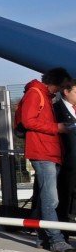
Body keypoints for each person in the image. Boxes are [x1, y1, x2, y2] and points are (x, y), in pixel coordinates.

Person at [17, 67, 73, 252]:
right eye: (63, 86)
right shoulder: (36, 94)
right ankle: (56, 240)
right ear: (56, 83)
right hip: (43, 152)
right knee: (51, 200)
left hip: (49, 152)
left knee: (45, 198)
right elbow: (28, 121)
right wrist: (56, 127)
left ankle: (43, 238)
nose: (63, 90)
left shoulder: (44, 96)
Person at [53, 77, 76, 225]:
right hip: (67, 160)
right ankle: (64, 228)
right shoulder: (56, 110)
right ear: (66, 92)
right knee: (65, 195)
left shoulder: (73, 109)